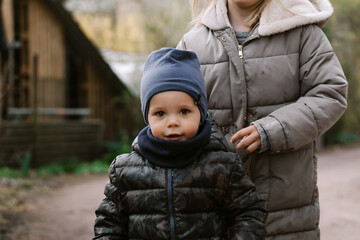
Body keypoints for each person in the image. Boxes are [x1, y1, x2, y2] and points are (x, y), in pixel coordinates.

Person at [177, 0, 348, 239]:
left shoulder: (303, 33)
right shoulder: (192, 43)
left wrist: (272, 130)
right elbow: (175, 111)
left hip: (284, 215)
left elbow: (330, 93)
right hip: (216, 212)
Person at [93, 48, 267, 240]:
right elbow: (108, 224)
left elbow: (249, 213)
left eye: (184, 111)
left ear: (200, 113)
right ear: (147, 117)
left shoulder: (223, 166)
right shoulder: (125, 171)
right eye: (160, 113)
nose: (173, 122)